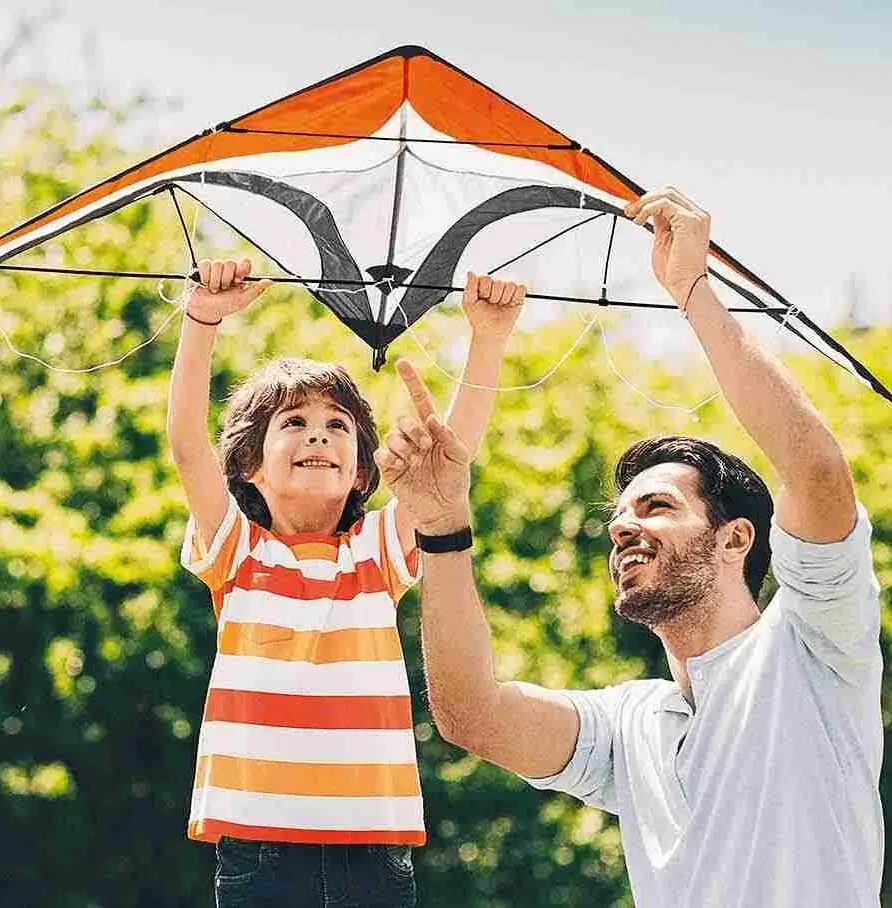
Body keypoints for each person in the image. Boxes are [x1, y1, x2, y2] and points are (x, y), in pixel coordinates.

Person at [375, 187, 884, 907]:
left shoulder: (815, 645)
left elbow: (817, 472)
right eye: (618, 515)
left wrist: (693, 289)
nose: (620, 526)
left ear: (737, 537)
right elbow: (472, 715)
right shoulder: (629, 726)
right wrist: (441, 526)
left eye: (656, 506)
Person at [166, 258, 526, 907]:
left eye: (338, 426)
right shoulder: (238, 553)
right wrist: (201, 321)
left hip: (375, 854)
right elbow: (188, 445)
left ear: (362, 472)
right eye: (295, 423)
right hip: (260, 851)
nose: (320, 436)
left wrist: (489, 338)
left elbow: (452, 458)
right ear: (249, 463)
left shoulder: (376, 553)